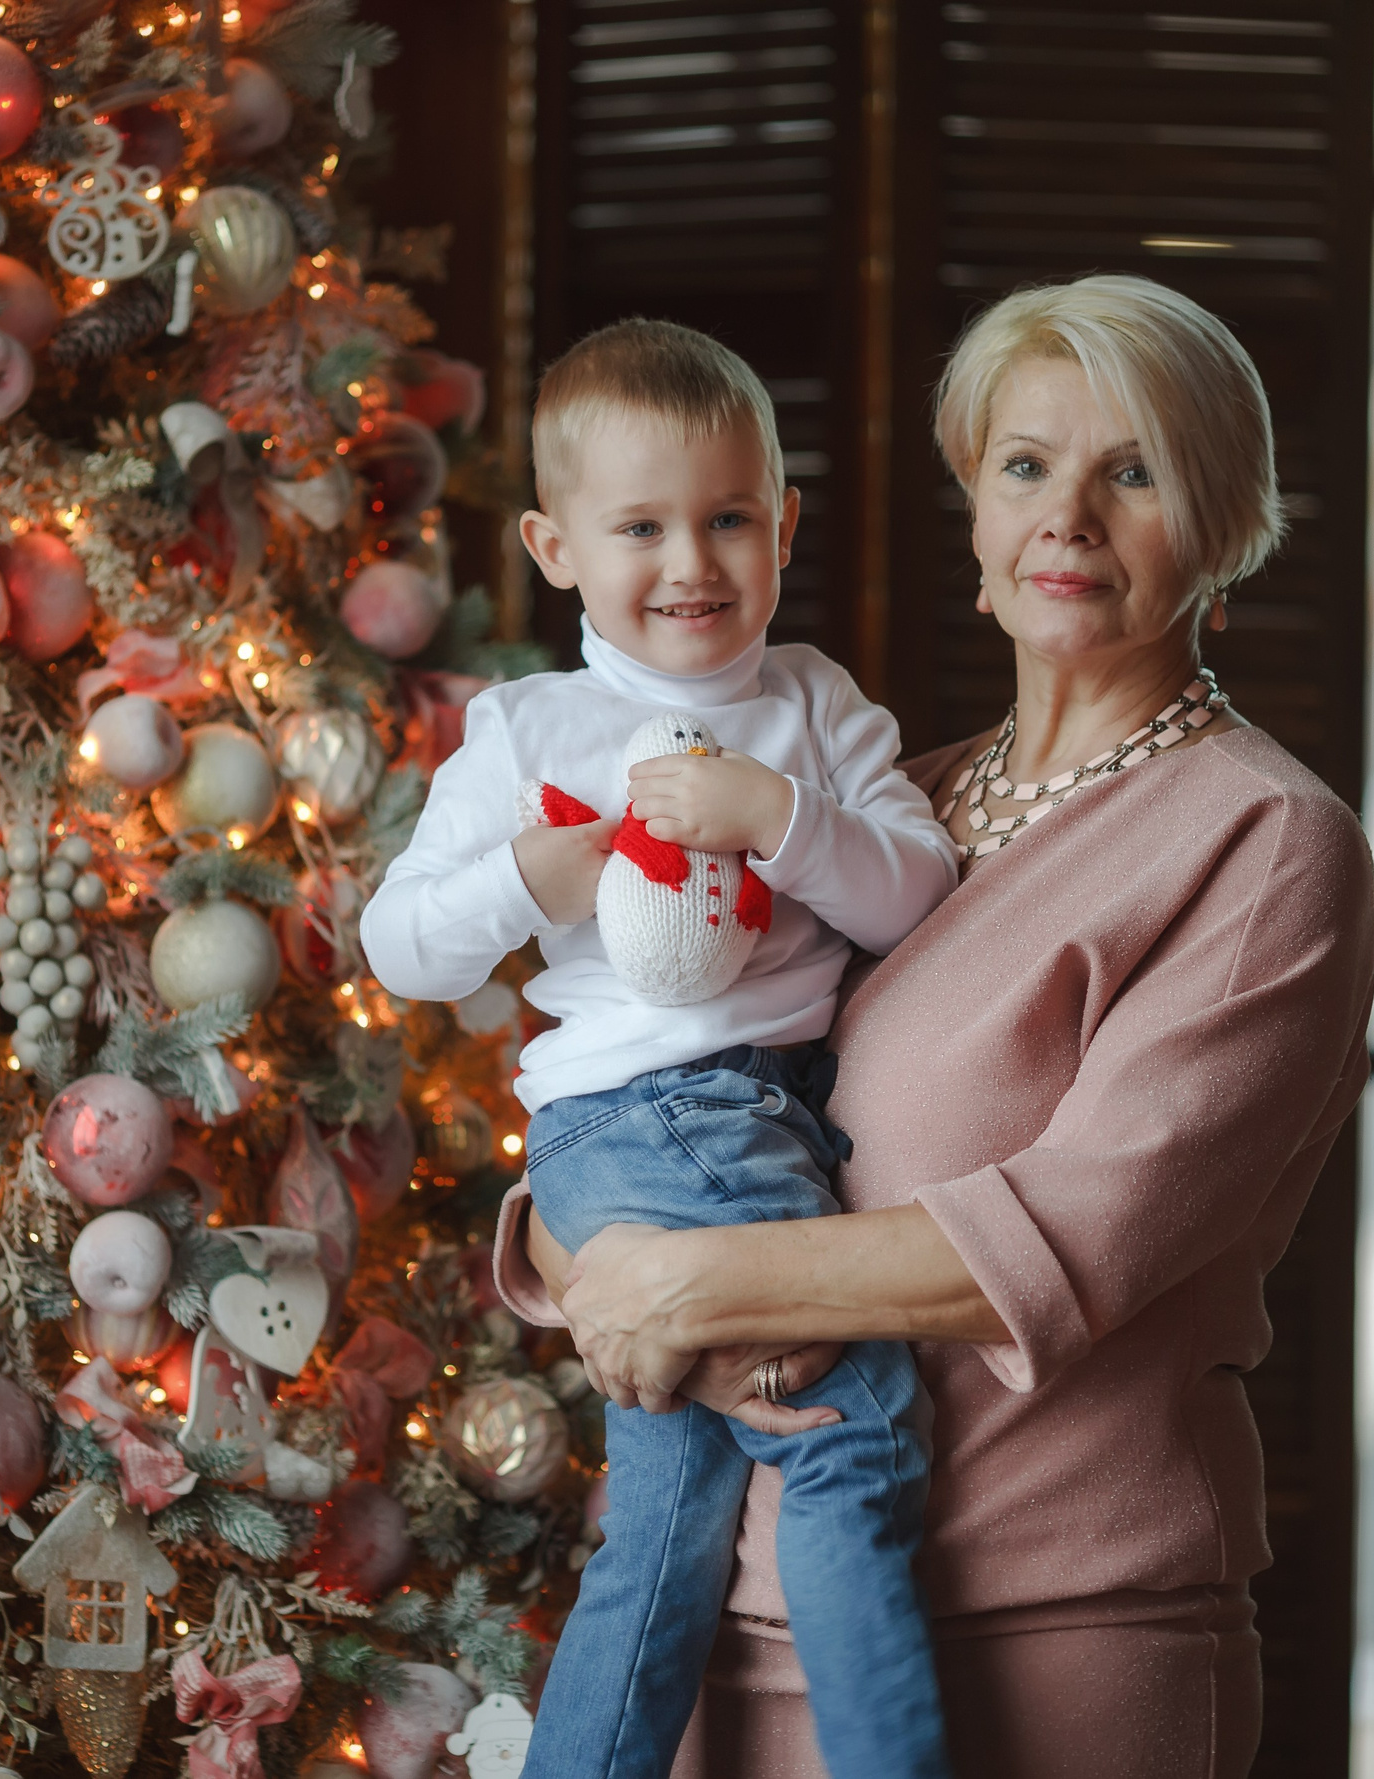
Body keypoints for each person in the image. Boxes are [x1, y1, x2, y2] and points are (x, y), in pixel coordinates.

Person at [489, 274, 1374, 1778]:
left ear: (1222, 526)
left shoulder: (1266, 840)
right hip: (732, 1636)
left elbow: (1069, 1236)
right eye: (1027, 466)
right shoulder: (891, 810)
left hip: (1051, 1649)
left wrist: (679, 1284)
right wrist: (592, 1254)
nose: (1068, 517)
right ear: (974, 510)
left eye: (1135, 469)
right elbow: (692, 1103)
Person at [361, 319, 961, 1779]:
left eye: (728, 519)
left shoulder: (810, 709)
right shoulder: (530, 728)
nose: (691, 563)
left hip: (764, 1121)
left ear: (783, 524)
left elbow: (919, 895)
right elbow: (399, 946)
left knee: (669, 1520)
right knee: (848, 1429)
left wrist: (780, 820)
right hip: (642, 1122)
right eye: (641, 526)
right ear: (555, 546)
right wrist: (539, 879)